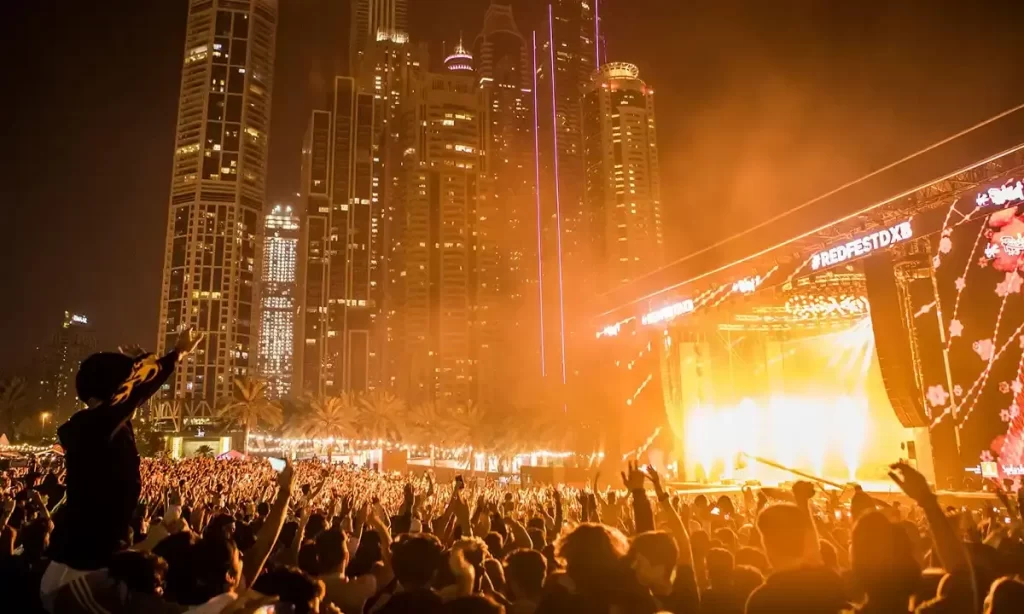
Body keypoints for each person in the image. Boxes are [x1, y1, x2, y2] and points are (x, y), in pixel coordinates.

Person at [42, 327, 204, 604]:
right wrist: (176, 353)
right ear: (115, 390)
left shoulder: (107, 425)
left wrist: (142, 363)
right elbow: (138, 391)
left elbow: (136, 392)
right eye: (125, 382)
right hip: (78, 573)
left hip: (89, 563)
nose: (131, 386)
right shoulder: (95, 427)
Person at [743, 483, 848, 614]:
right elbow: (813, 550)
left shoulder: (761, 601)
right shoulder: (828, 585)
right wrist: (802, 501)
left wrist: (801, 501)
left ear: (766, 544)